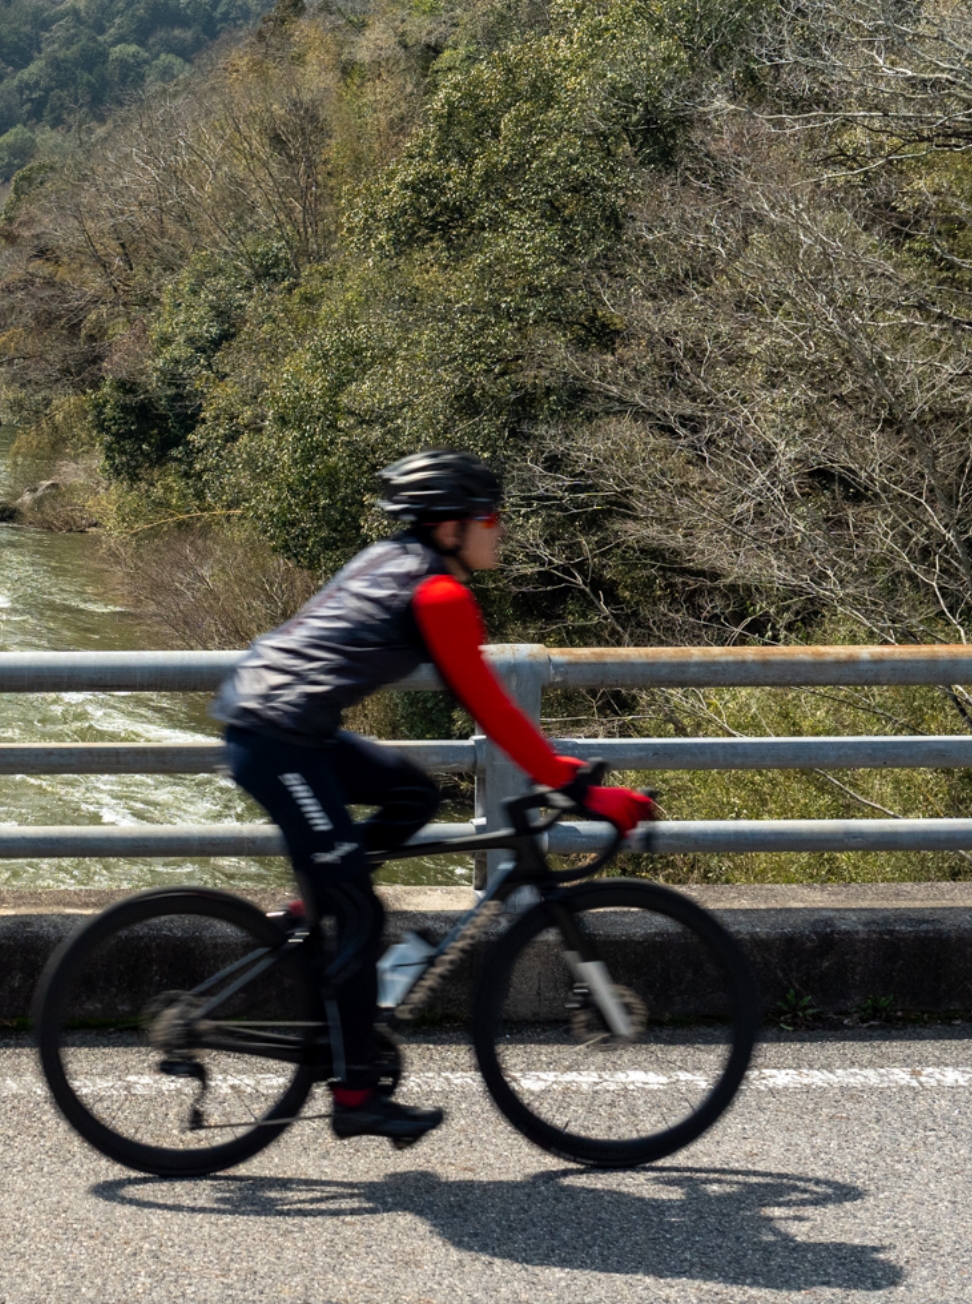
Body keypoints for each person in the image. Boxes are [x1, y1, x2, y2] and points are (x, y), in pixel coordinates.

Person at [211, 450, 655, 1146]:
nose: (499, 527)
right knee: (360, 913)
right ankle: (355, 1095)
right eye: (490, 515)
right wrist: (578, 789)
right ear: (450, 526)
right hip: (278, 741)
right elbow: (495, 708)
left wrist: (561, 769)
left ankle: (316, 902)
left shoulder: (392, 559)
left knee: (411, 791)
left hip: (286, 727)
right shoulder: (438, 594)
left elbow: (489, 709)